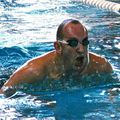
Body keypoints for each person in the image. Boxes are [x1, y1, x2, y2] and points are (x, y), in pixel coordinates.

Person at [0, 19, 113, 97]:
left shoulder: (101, 66)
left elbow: (114, 89)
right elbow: (3, 95)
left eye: (84, 42)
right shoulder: (35, 71)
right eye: (73, 43)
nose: (81, 49)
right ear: (58, 47)